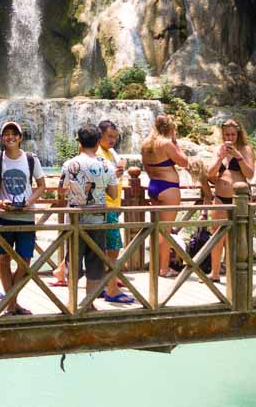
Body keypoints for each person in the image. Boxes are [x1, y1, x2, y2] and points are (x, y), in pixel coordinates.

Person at [0, 122, 45, 315]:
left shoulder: (31, 159)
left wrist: (30, 201)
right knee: (4, 260)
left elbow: (41, 184)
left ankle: (10, 302)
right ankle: (13, 304)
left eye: (14, 134)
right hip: (5, 216)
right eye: (6, 134)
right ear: (1, 138)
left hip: (26, 216)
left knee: (26, 261)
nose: (10, 137)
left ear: (20, 138)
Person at [60, 125, 116, 310]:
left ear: (79, 142)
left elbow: (61, 191)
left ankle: (72, 302)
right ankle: (89, 303)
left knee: (73, 261)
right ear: (98, 141)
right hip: (98, 219)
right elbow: (114, 194)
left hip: (76, 220)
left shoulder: (69, 165)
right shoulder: (107, 165)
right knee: (95, 263)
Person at [140, 114, 190, 277]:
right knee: (166, 230)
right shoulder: (167, 143)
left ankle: (155, 266)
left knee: (157, 229)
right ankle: (163, 268)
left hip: (154, 185)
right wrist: (176, 142)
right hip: (168, 188)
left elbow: (146, 167)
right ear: (170, 128)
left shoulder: (146, 143)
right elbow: (184, 162)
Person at [205, 118, 254, 283]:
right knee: (217, 235)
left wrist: (238, 157)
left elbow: (250, 174)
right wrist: (220, 158)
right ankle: (215, 272)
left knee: (237, 236)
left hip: (239, 199)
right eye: (227, 134)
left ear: (238, 133)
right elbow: (210, 174)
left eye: (233, 134)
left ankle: (235, 272)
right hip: (219, 197)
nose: (230, 137)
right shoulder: (218, 149)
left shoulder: (246, 149)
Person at [96, 120, 134, 303]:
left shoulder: (110, 152)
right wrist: (116, 173)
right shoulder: (96, 153)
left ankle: (106, 285)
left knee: (105, 249)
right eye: (109, 136)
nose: (112, 140)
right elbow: (99, 178)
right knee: (113, 249)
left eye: (115, 137)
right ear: (100, 135)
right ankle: (111, 290)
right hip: (105, 206)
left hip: (112, 205)